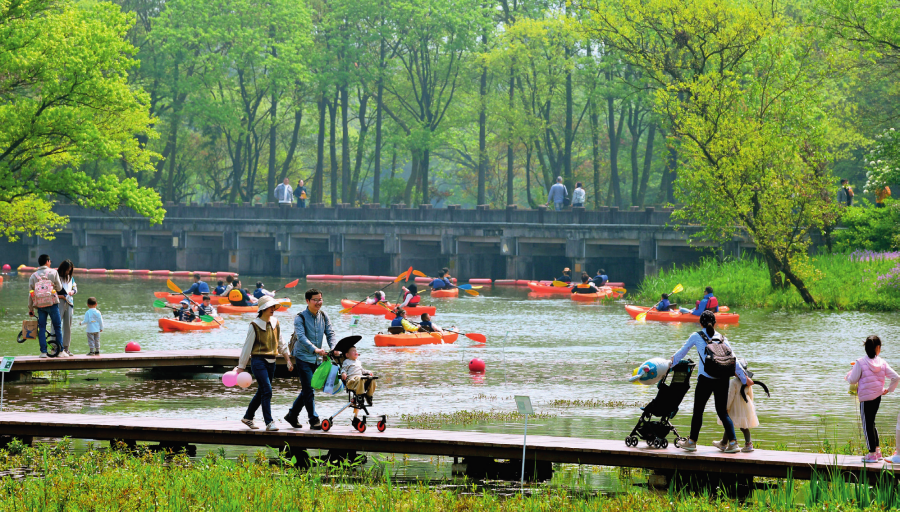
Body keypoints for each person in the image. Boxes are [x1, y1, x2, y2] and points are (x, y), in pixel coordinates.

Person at [671, 310, 751, 453]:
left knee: (698, 411)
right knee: (722, 412)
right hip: (722, 380)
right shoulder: (722, 337)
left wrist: (669, 365)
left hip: (705, 380)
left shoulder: (696, 336)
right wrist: (745, 379)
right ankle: (733, 443)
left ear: (700, 323)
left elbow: (682, 353)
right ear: (715, 323)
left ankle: (691, 442)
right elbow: (735, 361)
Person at [235, 296, 294, 431]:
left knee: (262, 390)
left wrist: (288, 360)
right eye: (270, 307)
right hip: (258, 361)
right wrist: (241, 367)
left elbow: (281, 343)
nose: (273, 309)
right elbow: (247, 348)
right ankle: (269, 422)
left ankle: (248, 417)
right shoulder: (254, 325)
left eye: (274, 306)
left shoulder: (275, 323)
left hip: (272, 362)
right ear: (262, 309)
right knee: (267, 390)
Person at [284, 288, 336, 430]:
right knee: (309, 389)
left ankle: (292, 415)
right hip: (302, 356)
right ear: (307, 301)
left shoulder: (324, 316)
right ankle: (314, 420)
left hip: (317, 359)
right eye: (315, 300)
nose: (319, 302)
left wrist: (334, 347)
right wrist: (316, 349)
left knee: (309, 388)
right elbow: (301, 337)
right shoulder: (300, 317)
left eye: (320, 299)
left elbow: (330, 333)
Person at [846, 335, 899, 463]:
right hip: (877, 397)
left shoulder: (860, 362)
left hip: (865, 398)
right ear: (878, 348)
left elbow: (853, 380)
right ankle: (877, 450)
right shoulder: (882, 363)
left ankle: (871, 454)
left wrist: (848, 375)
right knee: (872, 423)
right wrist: (888, 389)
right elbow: (896, 377)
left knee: (867, 424)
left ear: (865, 348)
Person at [714, 360, 760, 453]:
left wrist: (727, 407)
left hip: (735, 406)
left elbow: (730, 396)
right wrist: (749, 404)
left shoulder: (733, 382)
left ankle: (723, 443)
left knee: (729, 423)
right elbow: (750, 394)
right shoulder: (747, 382)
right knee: (744, 425)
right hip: (745, 404)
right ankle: (748, 444)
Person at [28, 254, 65, 358]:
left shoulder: (33, 276)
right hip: (52, 303)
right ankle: (60, 351)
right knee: (57, 327)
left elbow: (31, 293)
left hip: (40, 305)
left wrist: (30, 308)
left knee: (42, 328)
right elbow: (59, 287)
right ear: (47, 261)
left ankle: (43, 352)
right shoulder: (53, 272)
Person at [56, 259, 77, 357]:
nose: (68, 272)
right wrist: (61, 296)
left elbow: (75, 288)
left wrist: (72, 292)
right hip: (58, 302)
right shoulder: (56, 277)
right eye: (67, 270)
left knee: (67, 326)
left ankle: (66, 347)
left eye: (70, 270)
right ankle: (55, 347)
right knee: (56, 324)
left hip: (69, 302)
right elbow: (51, 291)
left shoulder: (70, 278)